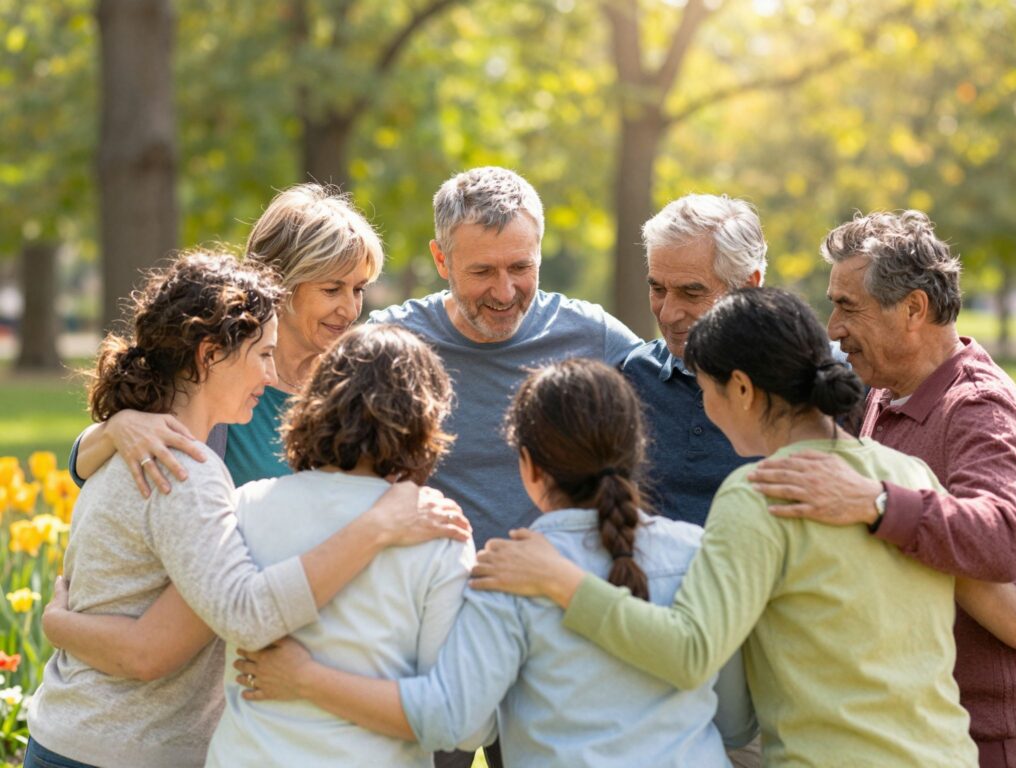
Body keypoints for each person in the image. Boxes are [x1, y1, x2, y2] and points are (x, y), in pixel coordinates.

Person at [469, 288, 979, 767]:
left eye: (707, 391)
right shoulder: (908, 474)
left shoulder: (760, 492)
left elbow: (690, 653)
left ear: (741, 388)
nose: (707, 410)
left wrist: (560, 581)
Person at [30, 254, 466, 768]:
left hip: (75, 736)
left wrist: (57, 621)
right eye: (262, 355)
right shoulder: (184, 469)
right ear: (210, 354)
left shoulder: (131, 443)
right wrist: (376, 525)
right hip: (120, 750)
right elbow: (244, 614)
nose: (271, 373)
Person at [234, 358, 757, 767]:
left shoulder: (506, 574)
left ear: (528, 466)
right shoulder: (696, 550)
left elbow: (454, 721)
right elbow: (735, 723)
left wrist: (306, 678)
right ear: (636, 450)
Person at [369, 165, 640, 768]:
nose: (505, 290)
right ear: (442, 260)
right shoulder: (391, 341)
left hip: (551, 627)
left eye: (521, 267)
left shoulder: (592, 337)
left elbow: (682, 395)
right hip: (431, 630)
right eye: (482, 271)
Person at [745, 211, 1016, 767]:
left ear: (914, 309)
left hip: (983, 740)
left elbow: (1001, 538)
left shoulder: (976, 405)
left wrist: (874, 504)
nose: (832, 327)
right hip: (911, 731)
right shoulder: (883, 393)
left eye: (848, 306)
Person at [69, 183, 387, 490]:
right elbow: (85, 467)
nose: (350, 309)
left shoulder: (357, 380)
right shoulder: (218, 367)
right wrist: (117, 429)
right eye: (332, 290)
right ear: (279, 282)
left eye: (358, 289)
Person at [621, 193, 766, 526]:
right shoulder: (635, 375)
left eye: (691, 292)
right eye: (657, 289)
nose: (668, 314)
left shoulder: (810, 382)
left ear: (748, 285)